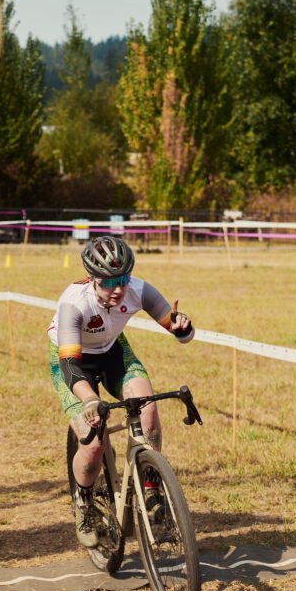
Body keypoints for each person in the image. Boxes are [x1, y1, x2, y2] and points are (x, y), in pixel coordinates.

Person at [48, 235, 195, 548]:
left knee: (148, 408)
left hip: (113, 350)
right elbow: (70, 367)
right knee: (93, 442)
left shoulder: (139, 289)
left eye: (123, 279)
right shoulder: (73, 303)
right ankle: (84, 503)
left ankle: (151, 486)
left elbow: (178, 330)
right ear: (92, 278)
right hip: (73, 360)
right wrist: (90, 399)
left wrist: (182, 327)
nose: (118, 289)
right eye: (109, 282)